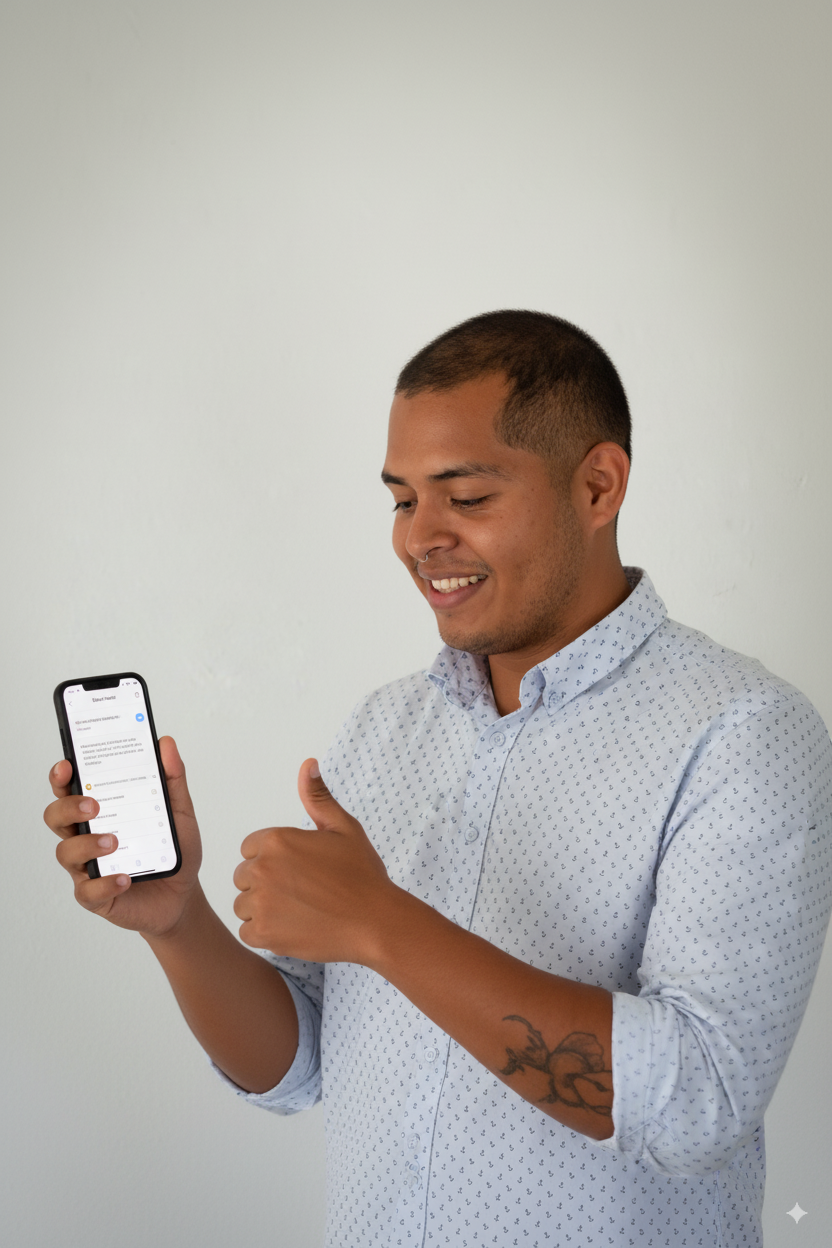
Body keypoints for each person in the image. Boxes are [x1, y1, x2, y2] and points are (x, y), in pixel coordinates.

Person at [45, 310, 832, 1247]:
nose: (420, 539)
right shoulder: (382, 730)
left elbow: (699, 1103)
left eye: (465, 497)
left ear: (598, 484)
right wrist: (179, 922)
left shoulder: (745, 733)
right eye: (401, 499)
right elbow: (299, 1067)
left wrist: (381, 923)